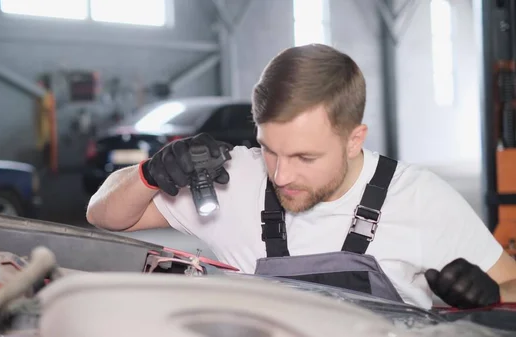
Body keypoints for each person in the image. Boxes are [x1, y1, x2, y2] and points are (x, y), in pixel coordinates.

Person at [86, 43, 516, 310]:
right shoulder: (231, 178)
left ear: (354, 139)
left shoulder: (421, 198)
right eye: (269, 149)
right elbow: (104, 215)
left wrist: (492, 297)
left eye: (305, 156)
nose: (281, 173)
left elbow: (511, 283)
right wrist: (148, 173)